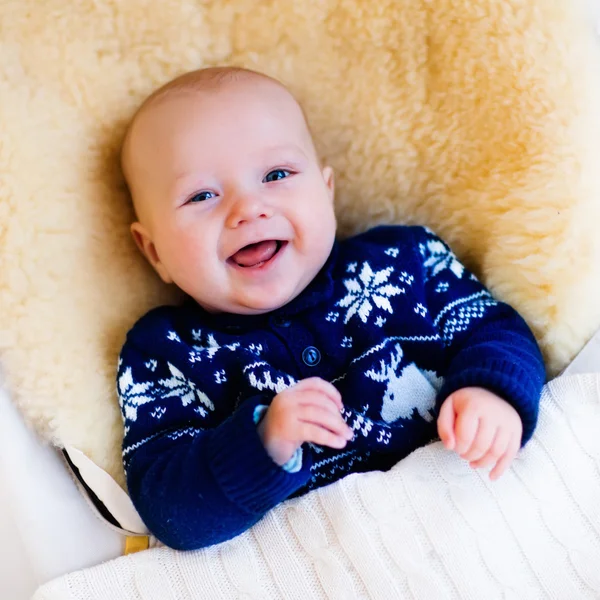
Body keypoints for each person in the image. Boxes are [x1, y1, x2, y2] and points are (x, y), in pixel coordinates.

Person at [117, 66, 545, 550]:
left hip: (474, 524)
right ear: (153, 251)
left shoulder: (405, 262)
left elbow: (494, 330)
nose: (247, 209)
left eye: (276, 175)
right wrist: (262, 443)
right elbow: (169, 511)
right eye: (202, 195)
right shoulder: (164, 353)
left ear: (326, 191)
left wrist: (493, 392)